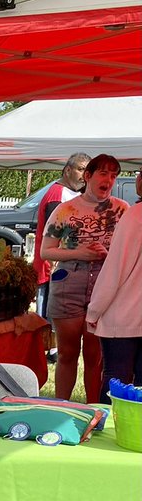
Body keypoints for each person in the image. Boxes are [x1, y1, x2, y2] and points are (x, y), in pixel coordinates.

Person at [39, 153, 129, 402]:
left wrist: (107, 254)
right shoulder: (64, 209)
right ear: (88, 176)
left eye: (114, 175)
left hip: (105, 286)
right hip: (69, 281)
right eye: (103, 173)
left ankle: (93, 412)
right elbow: (46, 251)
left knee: (95, 355)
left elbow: (130, 252)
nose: (109, 180)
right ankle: (61, 407)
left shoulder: (123, 210)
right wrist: (81, 252)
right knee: (67, 353)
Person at [86, 172, 142, 402]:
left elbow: (115, 269)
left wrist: (94, 310)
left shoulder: (134, 216)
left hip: (124, 316)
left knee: (115, 380)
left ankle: (106, 431)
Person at [35, 153, 91, 360]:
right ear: (67, 170)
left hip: (60, 264)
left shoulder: (69, 192)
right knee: (51, 309)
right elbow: (54, 236)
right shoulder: (57, 195)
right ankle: (50, 349)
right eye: (81, 169)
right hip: (52, 265)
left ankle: (53, 348)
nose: (84, 176)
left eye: (88, 171)